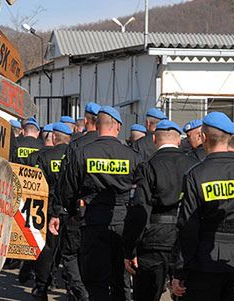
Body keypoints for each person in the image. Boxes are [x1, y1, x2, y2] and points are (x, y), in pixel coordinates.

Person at [172, 112, 234, 301]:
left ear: (204, 138)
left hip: (203, 264)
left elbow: (187, 228)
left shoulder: (195, 175)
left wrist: (179, 272)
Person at [60, 106, 141, 300]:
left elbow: (68, 188)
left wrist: (73, 212)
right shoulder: (133, 156)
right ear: (118, 126)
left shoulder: (82, 152)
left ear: (96, 125)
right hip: (123, 222)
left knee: (96, 282)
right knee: (121, 280)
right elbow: (141, 192)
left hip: (92, 221)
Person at [123, 120, 198, 301]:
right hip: (185, 239)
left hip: (153, 240)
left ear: (154, 139)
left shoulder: (147, 167)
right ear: (179, 141)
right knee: (186, 293)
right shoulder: (194, 166)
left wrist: (130, 250)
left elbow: (139, 210)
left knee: (147, 295)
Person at [51, 102, 101, 301]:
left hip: (77, 212)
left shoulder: (76, 145)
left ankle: (80, 292)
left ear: (86, 120)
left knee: (71, 254)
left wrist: (59, 210)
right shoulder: (114, 145)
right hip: (106, 214)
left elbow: (66, 181)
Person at [32, 122, 73, 300]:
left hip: (48, 209)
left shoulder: (44, 156)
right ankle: (70, 287)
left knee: (47, 249)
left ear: (54, 137)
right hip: (70, 210)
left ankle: (41, 287)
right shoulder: (74, 155)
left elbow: (36, 184)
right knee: (70, 251)